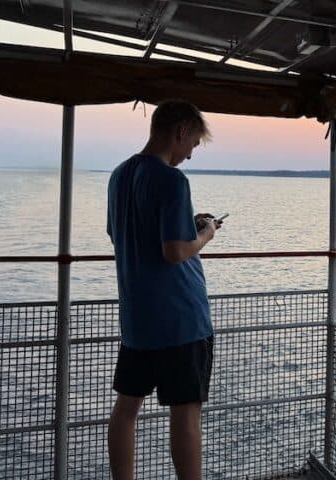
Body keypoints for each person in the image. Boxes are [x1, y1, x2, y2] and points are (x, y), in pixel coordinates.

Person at [106, 100, 220, 480]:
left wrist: (184, 223)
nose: (190, 155)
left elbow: (123, 233)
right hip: (181, 320)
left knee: (126, 409)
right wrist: (204, 233)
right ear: (180, 131)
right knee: (185, 412)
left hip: (138, 320)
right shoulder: (172, 180)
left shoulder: (119, 175)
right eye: (193, 145)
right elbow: (174, 251)